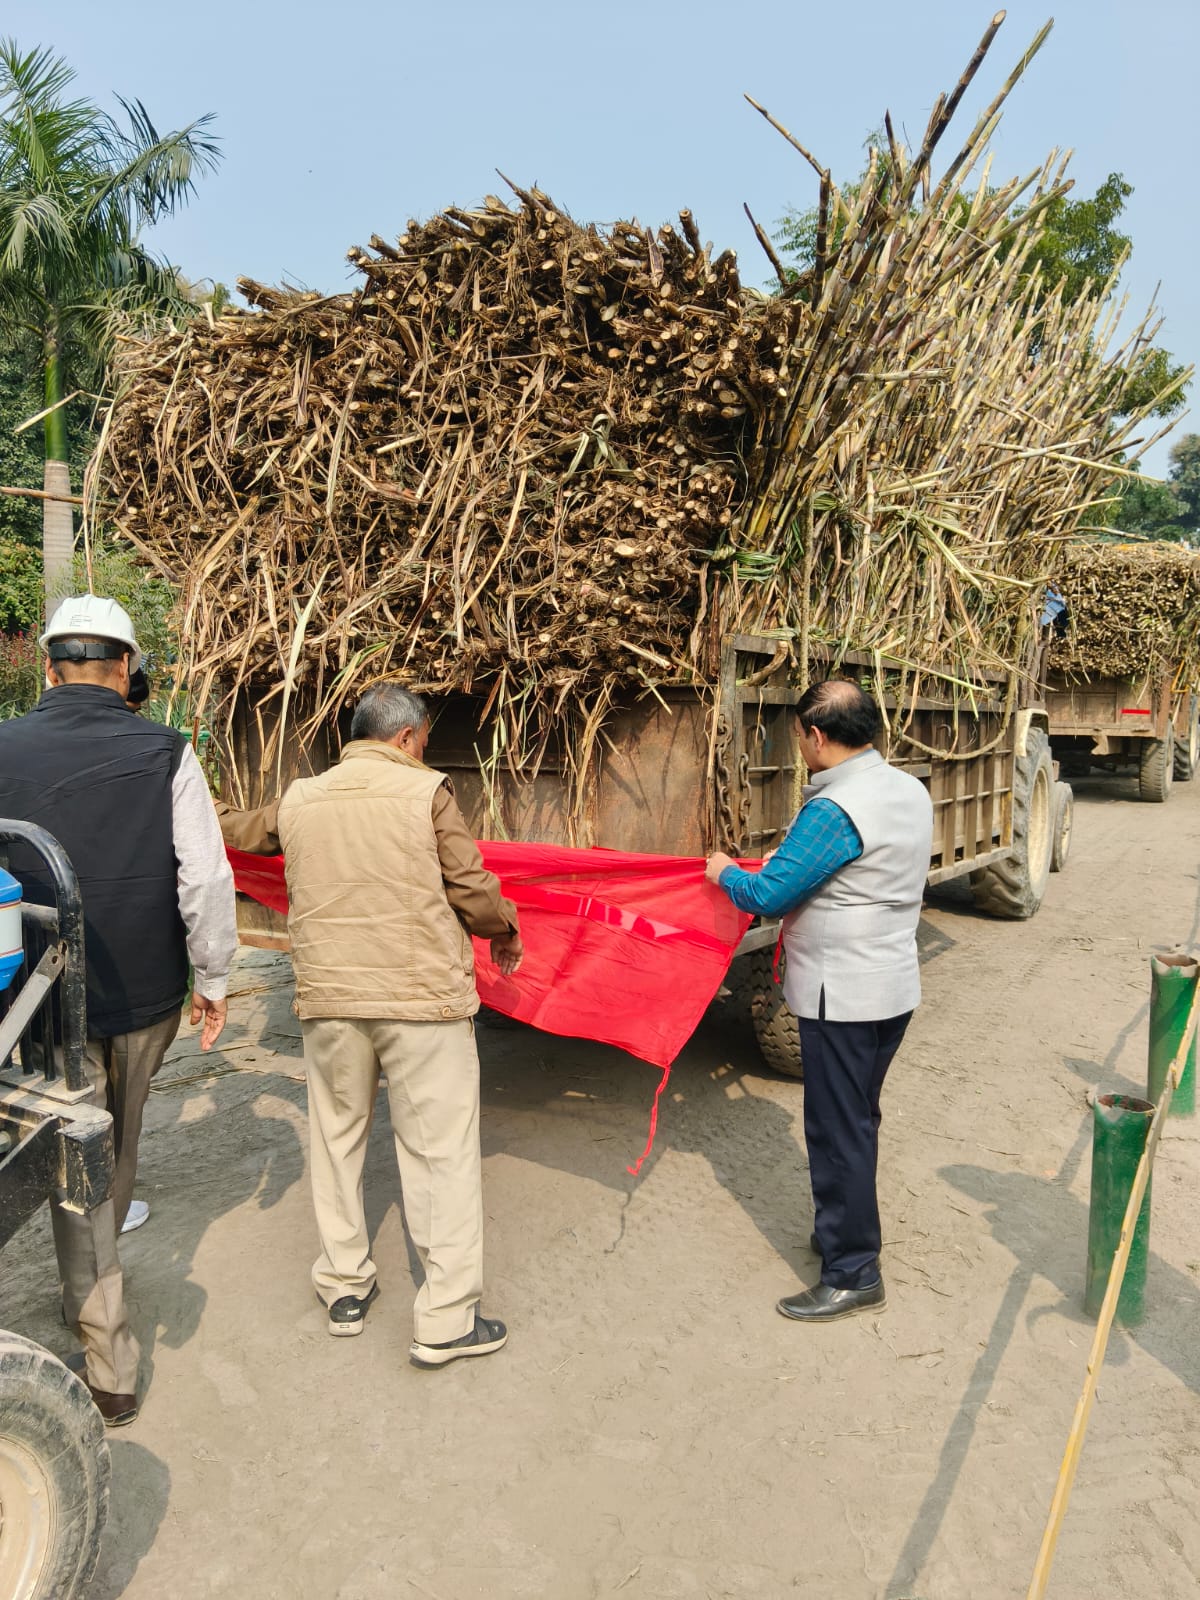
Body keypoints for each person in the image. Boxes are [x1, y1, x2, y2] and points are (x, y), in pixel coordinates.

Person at [221, 682, 524, 1366]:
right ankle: (445, 1320)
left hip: (331, 998)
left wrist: (201, 806)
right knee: (438, 1151)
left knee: (336, 1139)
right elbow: (472, 889)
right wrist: (504, 929)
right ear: (406, 738)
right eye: (422, 742)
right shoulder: (426, 792)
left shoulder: (302, 798)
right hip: (420, 1002)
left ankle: (344, 1288)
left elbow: (241, 830)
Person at [0, 594, 237, 1422]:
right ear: (127, 668)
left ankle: (84, 1302)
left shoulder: (3, 743)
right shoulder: (165, 749)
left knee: (59, 1139)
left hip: (27, 998)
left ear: (49, 664)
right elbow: (203, 878)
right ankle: (110, 1362)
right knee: (111, 1147)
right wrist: (214, 978)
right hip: (139, 997)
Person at [706, 679, 933, 1324]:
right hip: (891, 985)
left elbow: (768, 896)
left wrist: (722, 870)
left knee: (837, 1131)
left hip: (844, 996)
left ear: (814, 735)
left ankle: (854, 1271)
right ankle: (843, 1234)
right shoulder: (905, 789)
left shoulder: (836, 808)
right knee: (857, 1120)